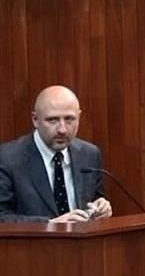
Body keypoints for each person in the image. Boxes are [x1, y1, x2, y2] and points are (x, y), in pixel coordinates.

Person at [0, 85, 112, 223]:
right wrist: (50, 225)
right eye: (53, 120)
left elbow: (94, 199)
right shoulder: (7, 158)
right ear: (35, 119)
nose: (62, 129)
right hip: (32, 244)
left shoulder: (89, 154)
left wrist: (100, 207)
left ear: (79, 117)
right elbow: (2, 217)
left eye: (69, 119)